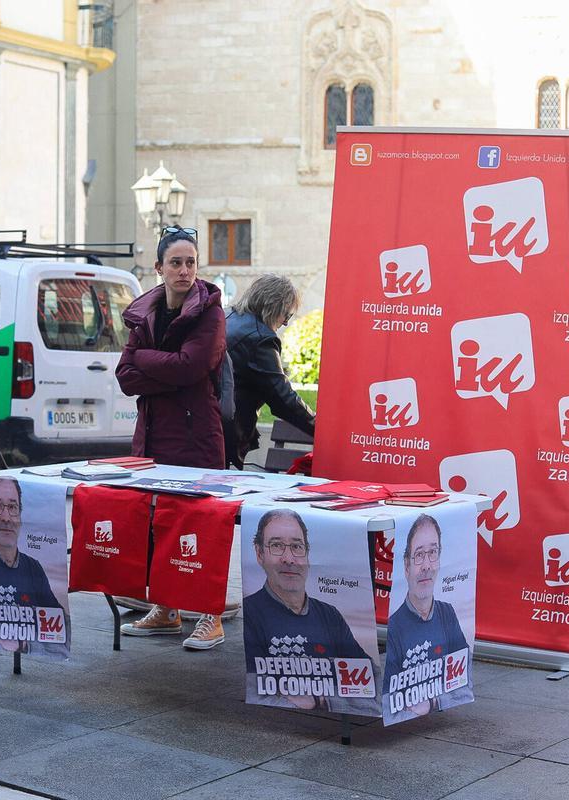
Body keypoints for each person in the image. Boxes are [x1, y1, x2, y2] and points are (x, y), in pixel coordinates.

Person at [115, 226, 228, 649]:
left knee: (203, 524)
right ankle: (166, 608)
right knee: (158, 524)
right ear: (159, 267)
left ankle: (210, 615)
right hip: (154, 436)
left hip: (196, 436)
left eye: (191, 262)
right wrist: (162, 370)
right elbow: (126, 378)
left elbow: (191, 368)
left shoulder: (211, 313)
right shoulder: (144, 312)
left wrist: (145, 359)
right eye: (175, 262)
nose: (184, 270)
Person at [242, 509, 379, 715]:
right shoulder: (252, 612)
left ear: (307, 553)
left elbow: (373, 686)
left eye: (297, 546)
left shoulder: (329, 615)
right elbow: (257, 691)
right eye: (277, 545)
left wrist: (320, 699)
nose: (289, 559)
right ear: (260, 553)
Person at [384, 514, 471, 719]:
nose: (426, 566)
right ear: (406, 566)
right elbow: (388, 704)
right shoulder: (395, 627)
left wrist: (434, 701)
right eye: (419, 555)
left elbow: (466, 681)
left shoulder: (447, 613)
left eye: (432, 553)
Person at [223, 274, 315, 469]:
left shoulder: (227, 316)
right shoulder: (260, 338)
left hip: (204, 428)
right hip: (225, 434)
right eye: (287, 315)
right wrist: (321, 429)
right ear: (274, 308)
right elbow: (283, 398)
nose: (285, 323)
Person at [0, 477, 66, 656]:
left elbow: (59, 631)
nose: (6, 518)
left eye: (12, 507)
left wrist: (25, 644)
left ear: (20, 514)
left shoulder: (33, 568)